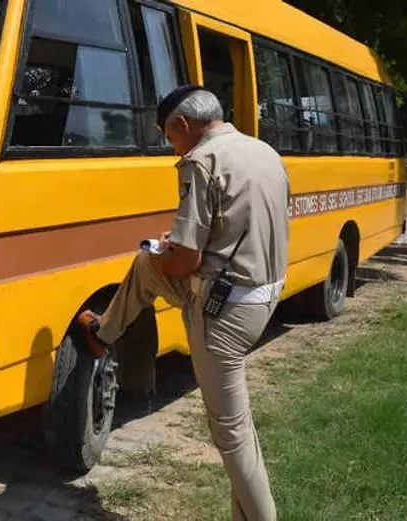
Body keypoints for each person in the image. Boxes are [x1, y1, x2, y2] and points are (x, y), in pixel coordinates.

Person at [78, 85, 290, 521]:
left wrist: (171, 251)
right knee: (146, 265)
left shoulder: (200, 161)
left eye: (169, 136)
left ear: (182, 124)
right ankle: (104, 333)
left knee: (231, 433)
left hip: (224, 311)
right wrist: (172, 249)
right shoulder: (264, 151)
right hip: (264, 295)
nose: (171, 146)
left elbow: (187, 262)